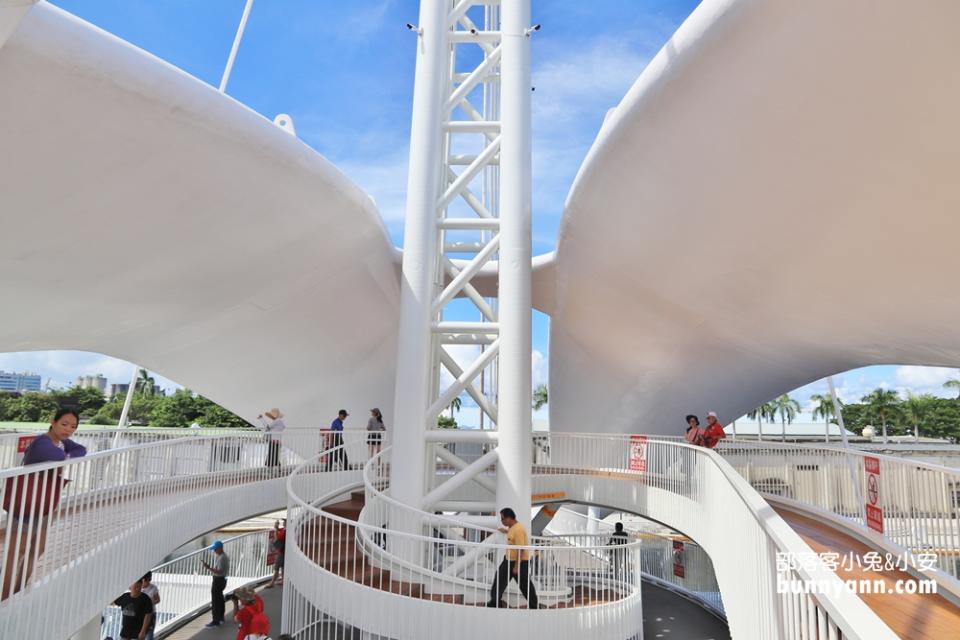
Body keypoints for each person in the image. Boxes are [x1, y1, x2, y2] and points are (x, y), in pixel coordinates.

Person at [2, 408, 87, 599]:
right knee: (17, 552)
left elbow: (81, 449)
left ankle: (18, 590)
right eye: (64, 424)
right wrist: (67, 456)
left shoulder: (61, 442)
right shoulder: (42, 442)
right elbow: (59, 458)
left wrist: (68, 455)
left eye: (73, 426)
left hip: (43, 501)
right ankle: (4, 597)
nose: (68, 430)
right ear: (53, 421)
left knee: (36, 549)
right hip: (25, 501)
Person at [487, 507, 539, 609]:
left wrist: (516, 566)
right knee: (499, 580)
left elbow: (521, 549)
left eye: (503, 519)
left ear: (509, 518)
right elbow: (512, 535)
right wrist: (505, 531)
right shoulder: (512, 527)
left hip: (520, 562)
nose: (502, 521)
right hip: (508, 560)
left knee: (525, 586)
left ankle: (534, 607)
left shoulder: (519, 529)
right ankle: (494, 603)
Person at [201, 540, 230, 628]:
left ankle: (215, 621)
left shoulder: (222, 558)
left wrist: (209, 568)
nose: (214, 551)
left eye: (215, 549)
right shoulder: (222, 556)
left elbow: (219, 571)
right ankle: (221, 618)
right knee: (220, 599)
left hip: (218, 580)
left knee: (215, 601)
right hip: (222, 580)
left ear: (221, 548)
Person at [140, 571, 161, 640]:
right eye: (144, 581)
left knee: (149, 635)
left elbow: (158, 600)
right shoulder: (137, 587)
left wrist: (150, 603)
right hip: (139, 614)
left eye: (148, 580)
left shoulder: (153, 588)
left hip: (150, 613)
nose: (146, 582)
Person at [266, 519, 286, 588]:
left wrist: (275, 530)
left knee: (276, 567)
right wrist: (277, 528)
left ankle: (272, 583)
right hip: (284, 551)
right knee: (283, 566)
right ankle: (283, 580)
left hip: (282, 551)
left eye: (285, 521)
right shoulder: (285, 529)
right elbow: (280, 532)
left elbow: (278, 539)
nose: (283, 522)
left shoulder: (285, 531)